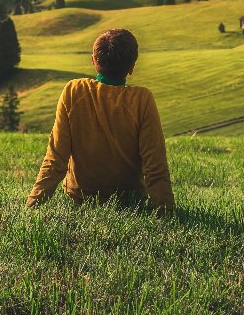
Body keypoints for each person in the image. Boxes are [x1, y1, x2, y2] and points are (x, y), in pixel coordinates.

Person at [26, 28, 174, 214]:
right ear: (132, 67)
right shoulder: (142, 100)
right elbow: (155, 165)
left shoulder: (74, 91)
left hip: (80, 198)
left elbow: (56, 159)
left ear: (94, 61)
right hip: (129, 202)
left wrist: (32, 206)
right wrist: (167, 212)